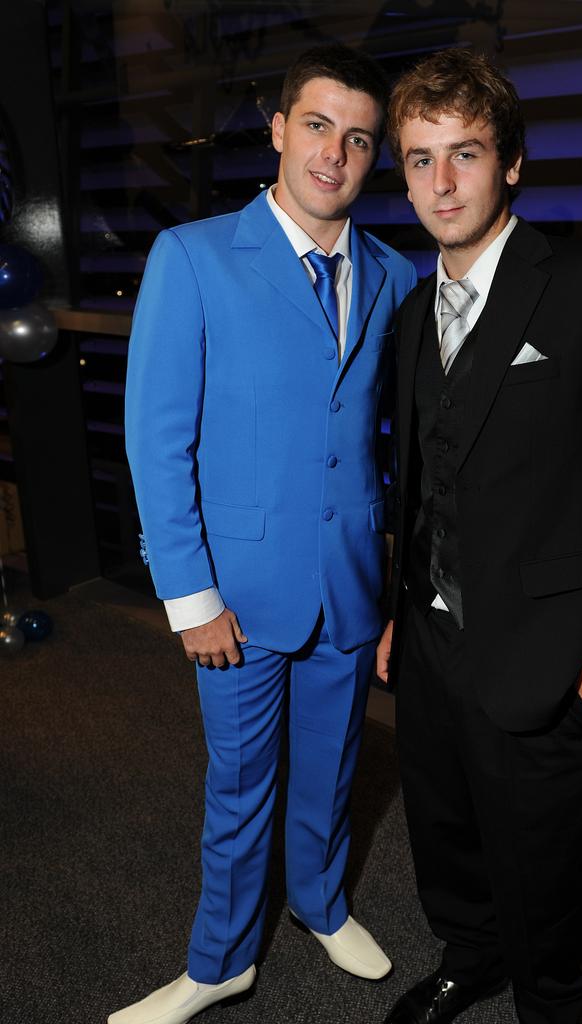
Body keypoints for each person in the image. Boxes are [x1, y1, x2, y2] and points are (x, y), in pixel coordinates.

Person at [113, 44, 417, 1024]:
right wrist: (190, 597)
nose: (336, 152)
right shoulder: (193, 256)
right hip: (235, 595)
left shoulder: (392, 275)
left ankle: (322, 905)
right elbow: (158, 442)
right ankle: (219, 960)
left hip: (350, 582)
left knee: (331, 768)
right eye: (319, 126)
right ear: (280, 130)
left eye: (359, 137)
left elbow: (396, 443)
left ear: (373, 157)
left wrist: (396, 590)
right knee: (240, 788)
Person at [377, 49, 582, 1024]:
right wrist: (398, 615)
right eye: (420, 159)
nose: (442, 182)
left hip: (548, 648)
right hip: (429, 638)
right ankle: (471, 956)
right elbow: (419, 477)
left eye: (465, 153)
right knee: (447, 828)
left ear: (512, 162)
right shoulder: (414, 313)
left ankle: (553, 1001)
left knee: (544, 855)